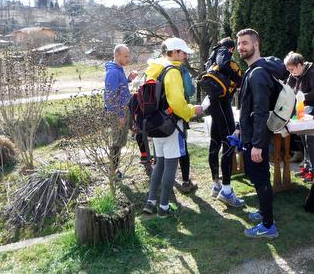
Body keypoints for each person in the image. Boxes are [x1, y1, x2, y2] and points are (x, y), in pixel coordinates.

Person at [142, 37, 203, 217]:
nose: (185, 56)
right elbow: (177, 103)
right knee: (170, 166)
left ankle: (150, 202)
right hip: (171, 125)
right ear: (174, 52)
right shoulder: (172, 71)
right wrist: (193, 110)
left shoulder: (153, 69)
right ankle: (164, 207)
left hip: (154, 124)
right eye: (183, 52)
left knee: (159, 164)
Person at [236, 28, 279, 239]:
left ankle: (268, 225)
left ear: (256, 45)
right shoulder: (254, 70)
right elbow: (249, 107)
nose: (241, 47)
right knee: (259, 177)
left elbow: (261, 111)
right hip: (251, 135)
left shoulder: (258, 73)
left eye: (245, 43)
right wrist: (240, 127)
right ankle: (264, 212)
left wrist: (257, 144)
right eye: (239, 43)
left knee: (261, 180)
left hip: (256, 139)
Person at [203, 37, 244, 207]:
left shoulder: (210, 57)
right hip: (222, 104)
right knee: (229, 145)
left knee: (214, 144)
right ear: (231, 48)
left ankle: (216, 185)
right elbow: (224, 63)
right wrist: (241, 79)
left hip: (214, 104)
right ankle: (226, 191)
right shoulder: (222, 52)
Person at [285, 51, 314, 179]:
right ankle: (307, 169)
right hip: (304, 113)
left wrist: (303, 96)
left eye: (292, 69)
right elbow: (288, 88)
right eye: (289, 70)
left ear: (299, 65)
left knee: (313, 143)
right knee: (304, 141)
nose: (291, 73)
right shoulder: (294, 74)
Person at [104, 44, 138, 175]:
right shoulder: (112, 72)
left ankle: (114, 169)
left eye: (128, 56)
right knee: (117, 142)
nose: (128, 59)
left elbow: (120, 88)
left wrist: (128, 80)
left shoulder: (118, 69)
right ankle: (112, 171)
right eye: (125, 56)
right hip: (118, 112)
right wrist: (120, 115)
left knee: (121, 140)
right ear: (117, 55)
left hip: (123, 110)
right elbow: (110, 97)